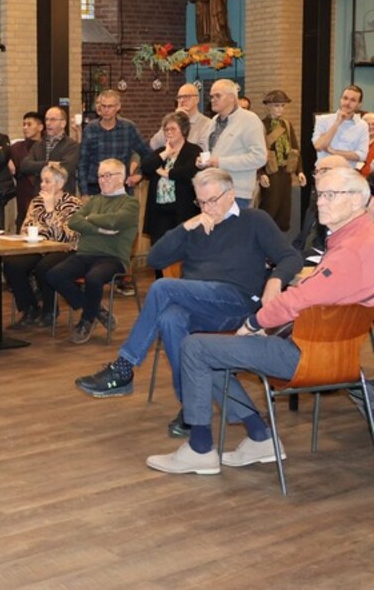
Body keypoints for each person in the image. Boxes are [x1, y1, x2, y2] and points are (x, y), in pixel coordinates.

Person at [146, 168, 373, 475]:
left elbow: (299, 300)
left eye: (331, 195)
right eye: (320, 194)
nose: (320, 202)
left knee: (195, 347)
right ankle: (260, 437)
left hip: (305, 355)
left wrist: (254, 324)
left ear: (359, 200)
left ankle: (202, 448)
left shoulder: (352, 250)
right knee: (205, 348)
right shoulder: (361, 238)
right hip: (338, 355)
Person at [73, 169, 302, 438]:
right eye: (201, 202)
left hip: (236, 302)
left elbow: (291, 257)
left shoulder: (254, 220)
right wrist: (186, 227)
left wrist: (275, 280)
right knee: (170, 319)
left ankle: (124, 368)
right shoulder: (196, 226)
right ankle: (191, 408)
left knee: (163, 287)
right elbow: (155, 259)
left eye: (212, 200)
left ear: (230, 195)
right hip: (198, 304)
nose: (207, 208)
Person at [46, 158, 139, 344]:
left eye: (107, 175)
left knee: (93, 278)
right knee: (54, 275)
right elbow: (74, 221)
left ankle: (87, 320)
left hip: (113, 258)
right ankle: (95, 309)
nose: (102, 180)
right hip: (85, 254)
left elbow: (115, 221)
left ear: (121, 177)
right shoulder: (94, 200)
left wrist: (90, 218)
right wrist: (99, 229)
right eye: (100, 176)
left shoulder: (130, 203)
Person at [4, 162, 81, 329]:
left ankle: (49, 311)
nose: (42, 185)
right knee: (12, 263)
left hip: (64, 250)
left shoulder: (72, 204)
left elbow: (67, 237)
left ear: (60, 184)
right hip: (38, 248)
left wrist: (51, 211)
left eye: (47, 181)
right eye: (41, 181)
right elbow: (26, 228)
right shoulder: (37, 202)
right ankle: (29, 308)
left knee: (44, 267)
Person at [140, 111, 202, 277]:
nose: (168, 132)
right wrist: (165, 154)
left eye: (173, 129)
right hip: (159, 211)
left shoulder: (193, 150)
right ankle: (160, 282)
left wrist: (166, 173)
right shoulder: (161, 151)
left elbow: (189, 171)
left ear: (183, 130)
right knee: (159, 250)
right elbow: (146, 167)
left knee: (181, 251)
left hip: (182, 210)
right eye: (166, 129)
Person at [198, 79, 266, 208]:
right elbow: (212, 152)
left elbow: (259, 157)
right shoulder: (214, 121)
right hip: (212, 191)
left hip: (236, 193)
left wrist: (221, 162)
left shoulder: (249, 120)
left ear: (232, 98)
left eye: (218, 96)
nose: (213, 100)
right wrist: (204, 161)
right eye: (211, 96)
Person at [77, 90, 151, 198]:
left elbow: (147, 154)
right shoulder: (90, 129)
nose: (106, 110)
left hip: (121, 188)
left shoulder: (128, 128)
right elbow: (82, 163)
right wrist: (84, 193)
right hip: (95, 188)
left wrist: (140, 174)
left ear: (118, 107)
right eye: (103, 106)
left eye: (110, 106)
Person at [257, 90, 306, 232]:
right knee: (270, 207)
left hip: (285, 172)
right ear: (268, 106)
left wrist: (300, 171)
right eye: (276, 105)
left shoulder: (287, 125)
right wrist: (260, 173)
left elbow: (295, 149)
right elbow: (257, 152)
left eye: (282, 106)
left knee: (284, 211)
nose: (280, 109)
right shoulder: (261, 125)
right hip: (270, 173)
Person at [292, 155, 352, 259]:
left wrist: (291, 258)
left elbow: (324, 250)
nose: (317, 176)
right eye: (316, 172)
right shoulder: (314, 205)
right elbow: (300, 240)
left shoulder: (346, 211)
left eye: (324, 171)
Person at [20, 106, 81, 199]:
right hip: (40, 197)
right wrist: (49, 164)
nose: (48, 123)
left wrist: (37, 166)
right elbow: (25, 166)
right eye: (46, 119)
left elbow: (66, 167)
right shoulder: (38, 145)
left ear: (63, 123)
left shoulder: (71, 145)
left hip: (63, 198)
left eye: (53, 120)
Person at [312, 85, 368, 164]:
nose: (347, 103)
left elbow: (362, 156)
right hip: (324, 169)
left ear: (359, 104)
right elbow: (318, 146)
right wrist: (337, 123)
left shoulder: (362, 125)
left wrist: (333, 152)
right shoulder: (322, 120)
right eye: (345, 98)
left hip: (348, 170)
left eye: (353, 100)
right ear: (340, 100)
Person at [149, 84, 212, 151]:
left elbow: (203, 150)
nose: (182, 100)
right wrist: (174, 119)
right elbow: (154, 145)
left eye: (186, 96)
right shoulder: (171, 121)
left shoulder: (207, 124)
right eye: (179, 97)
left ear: (197, 99)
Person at [9, 111, 44, 231]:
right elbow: (1, 153)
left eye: (29, 124)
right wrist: (7, 160)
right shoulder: (16, 147)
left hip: (42, 194)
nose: (25, 128)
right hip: (23, 196)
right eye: (23, 124)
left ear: (40, 127)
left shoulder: (47, 147)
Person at [361, 112, 374, 177]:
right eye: (367, 124)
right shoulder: (357, 142)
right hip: (355, 177)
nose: (370, 127)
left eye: (373, 124)